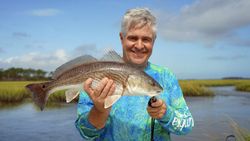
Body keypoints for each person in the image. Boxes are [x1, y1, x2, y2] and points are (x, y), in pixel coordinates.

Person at [75, 7, 194, 141]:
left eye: (146, 39)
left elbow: (187, 126)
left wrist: (166, 114)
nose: (139, 45)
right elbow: (86, 133)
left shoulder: (166, 76)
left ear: (154, 41)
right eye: (133, 38)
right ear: (122, 38)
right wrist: (100, 110)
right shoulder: (97, 74)